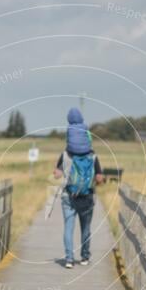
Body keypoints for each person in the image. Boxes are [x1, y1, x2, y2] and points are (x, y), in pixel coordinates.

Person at [53, 111, 103, 268]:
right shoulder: (93, 156)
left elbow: (56, 174)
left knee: (68, 228)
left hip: (69, 196)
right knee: (86, 229)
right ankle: (85, 257)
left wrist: (60, 172)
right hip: (87, 196)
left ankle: (69, 259)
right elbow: (99, 178)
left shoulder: (65, 154)